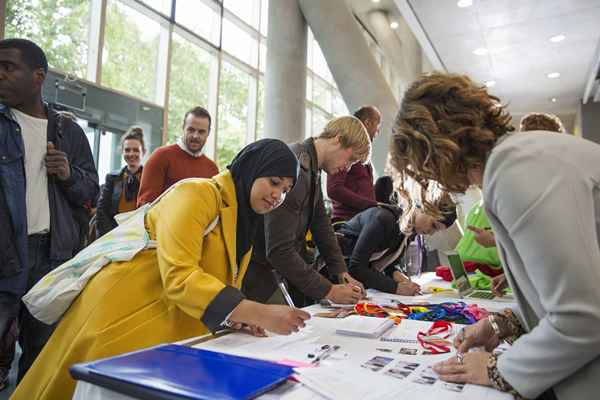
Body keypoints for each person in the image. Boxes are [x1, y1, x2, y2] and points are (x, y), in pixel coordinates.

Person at [12, 139, 310, 400]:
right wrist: (257, 312)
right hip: (124, 311)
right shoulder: (199, 193)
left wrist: (237, 318)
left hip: (165, 321)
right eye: (273, 182)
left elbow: (216, 280)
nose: (278, 196)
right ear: (253, 168)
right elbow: (180, 276)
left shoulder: (244, 220)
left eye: (285, 190)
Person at [391, 72, 600, 400]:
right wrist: (506, 321)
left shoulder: (516, 168)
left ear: (433, 150)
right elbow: (568, 286)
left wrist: (498, 370)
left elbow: (584, 317)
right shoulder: (520, 158)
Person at [0, 38, 99, 387]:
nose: (0, 75)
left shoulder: (67, 131)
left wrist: (69, 175)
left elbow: (92, 192)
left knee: (41, 356)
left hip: (53, 258)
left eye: (8, 67)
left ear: (37, 76)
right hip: (5, 255)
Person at [243, 116, 369, 307]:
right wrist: (330, 291)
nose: (348, 168)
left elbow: (321, 224)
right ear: (338, 139)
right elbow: (278, 250)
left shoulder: (311, 167)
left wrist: (341, 272)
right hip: (257, 278)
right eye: (351, 159)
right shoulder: (295, 167)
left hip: (271, 274)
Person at [336, 185, 456, 295]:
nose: (431, 232)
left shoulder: (410, 231)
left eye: (436, 231)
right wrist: (396, 288)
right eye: (434, 225)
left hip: (355, 281)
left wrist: (399, 277)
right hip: (335, 274)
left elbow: (388, 264)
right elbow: (356, 266)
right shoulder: (383, 219)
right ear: (424, 208)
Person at [137, 106, 219, 205]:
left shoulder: (212, 169)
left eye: (201, 132)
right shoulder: (161, 157)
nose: (195, 136)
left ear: (208, 133)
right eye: (191, 130)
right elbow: (144, 205)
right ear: (183, 128)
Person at [326, 106, 381, 222]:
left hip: (363, 219)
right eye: (378, 125)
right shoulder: (347, 146)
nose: (378, 131)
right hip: (348, 221)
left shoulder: (361, 153)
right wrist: (369, 204)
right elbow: (333, 189)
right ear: (368, 123)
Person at [95, 127, 145, 237]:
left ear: (143, 152)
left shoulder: (149, 178)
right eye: (127, 150)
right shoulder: (112, 178)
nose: (131, 154)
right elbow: (102, 210)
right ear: (122, 152)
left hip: (140, 235)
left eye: (136, 150)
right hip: (114, 234)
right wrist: (111, 235)